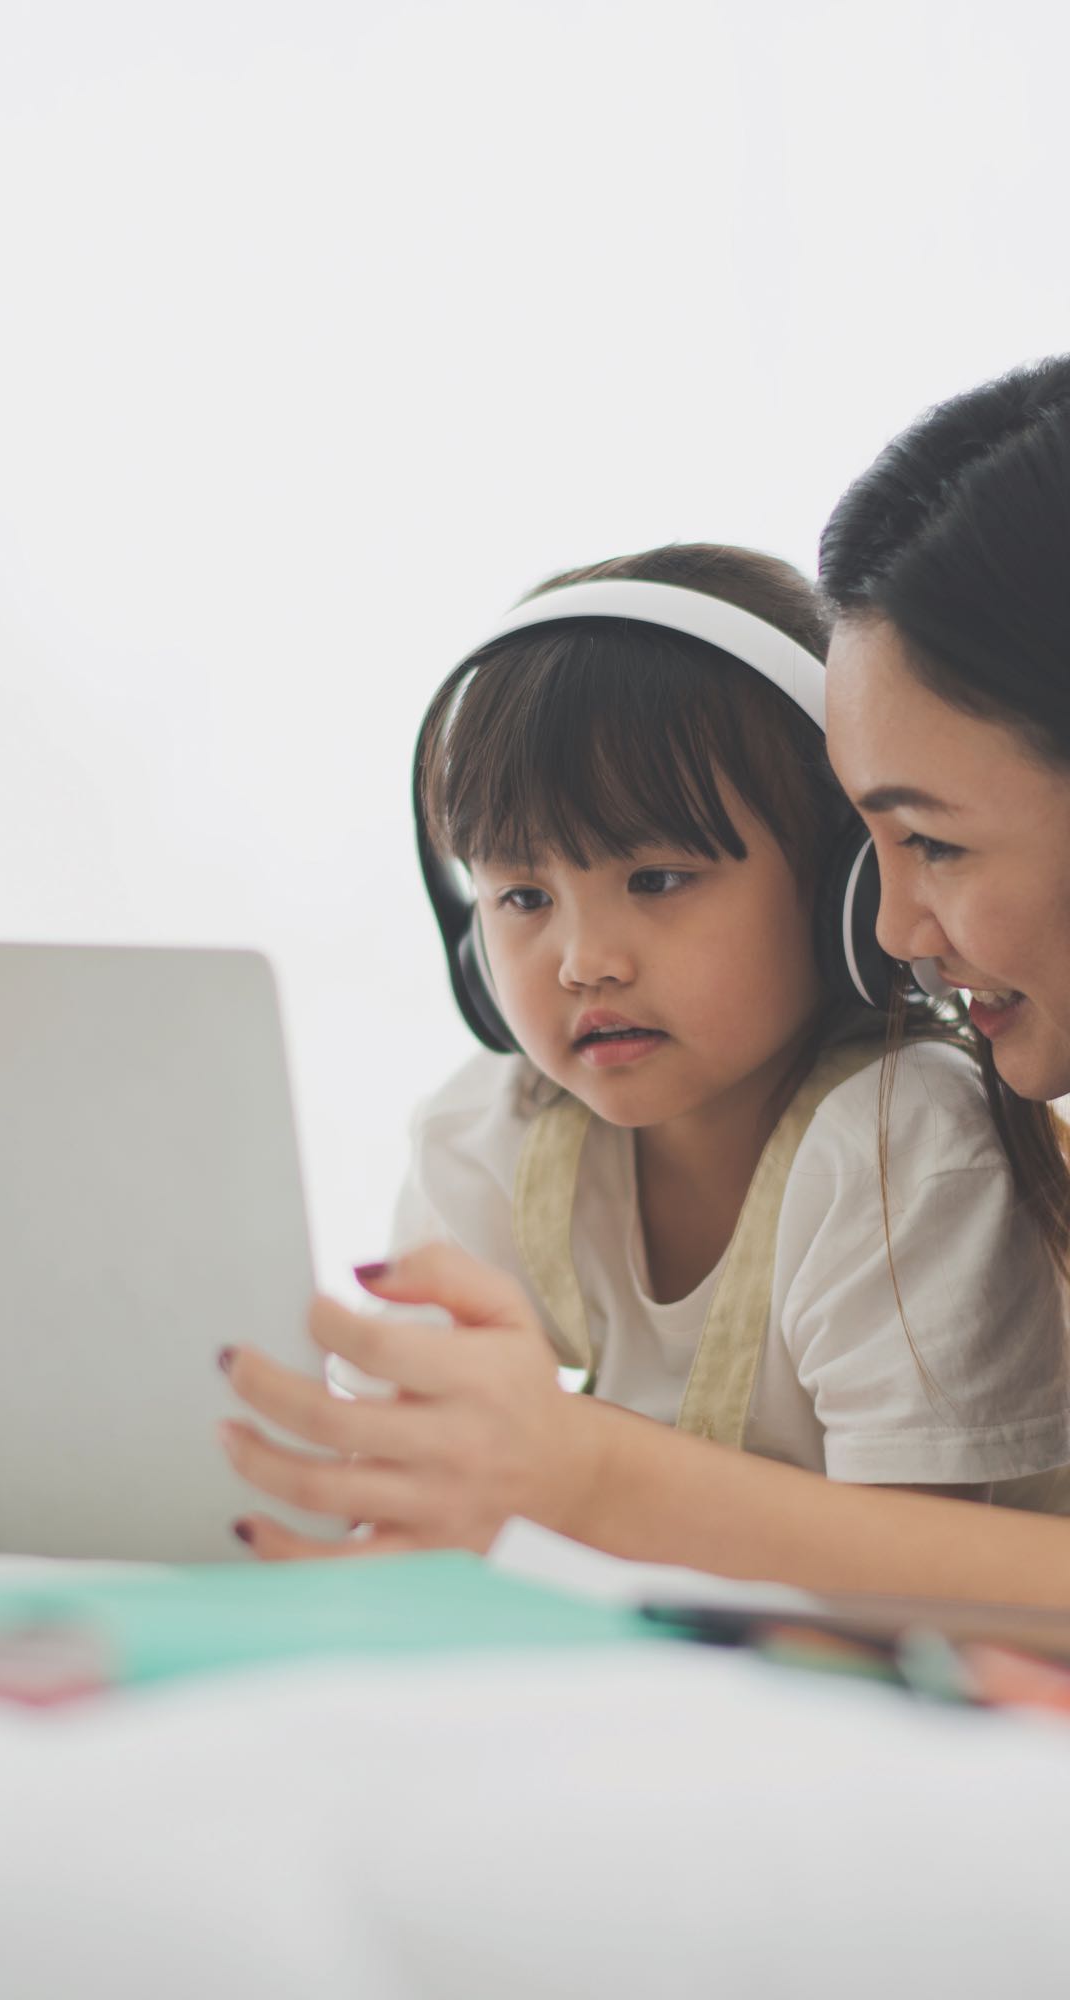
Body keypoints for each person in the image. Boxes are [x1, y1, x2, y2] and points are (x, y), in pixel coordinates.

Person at [219, 356, 1070, 1602]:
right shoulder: (500, 1132)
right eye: (517, 894)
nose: (892, 929)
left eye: (931, 838)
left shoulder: (902, 1148)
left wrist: (576, 1470)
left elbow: (933, 1587)